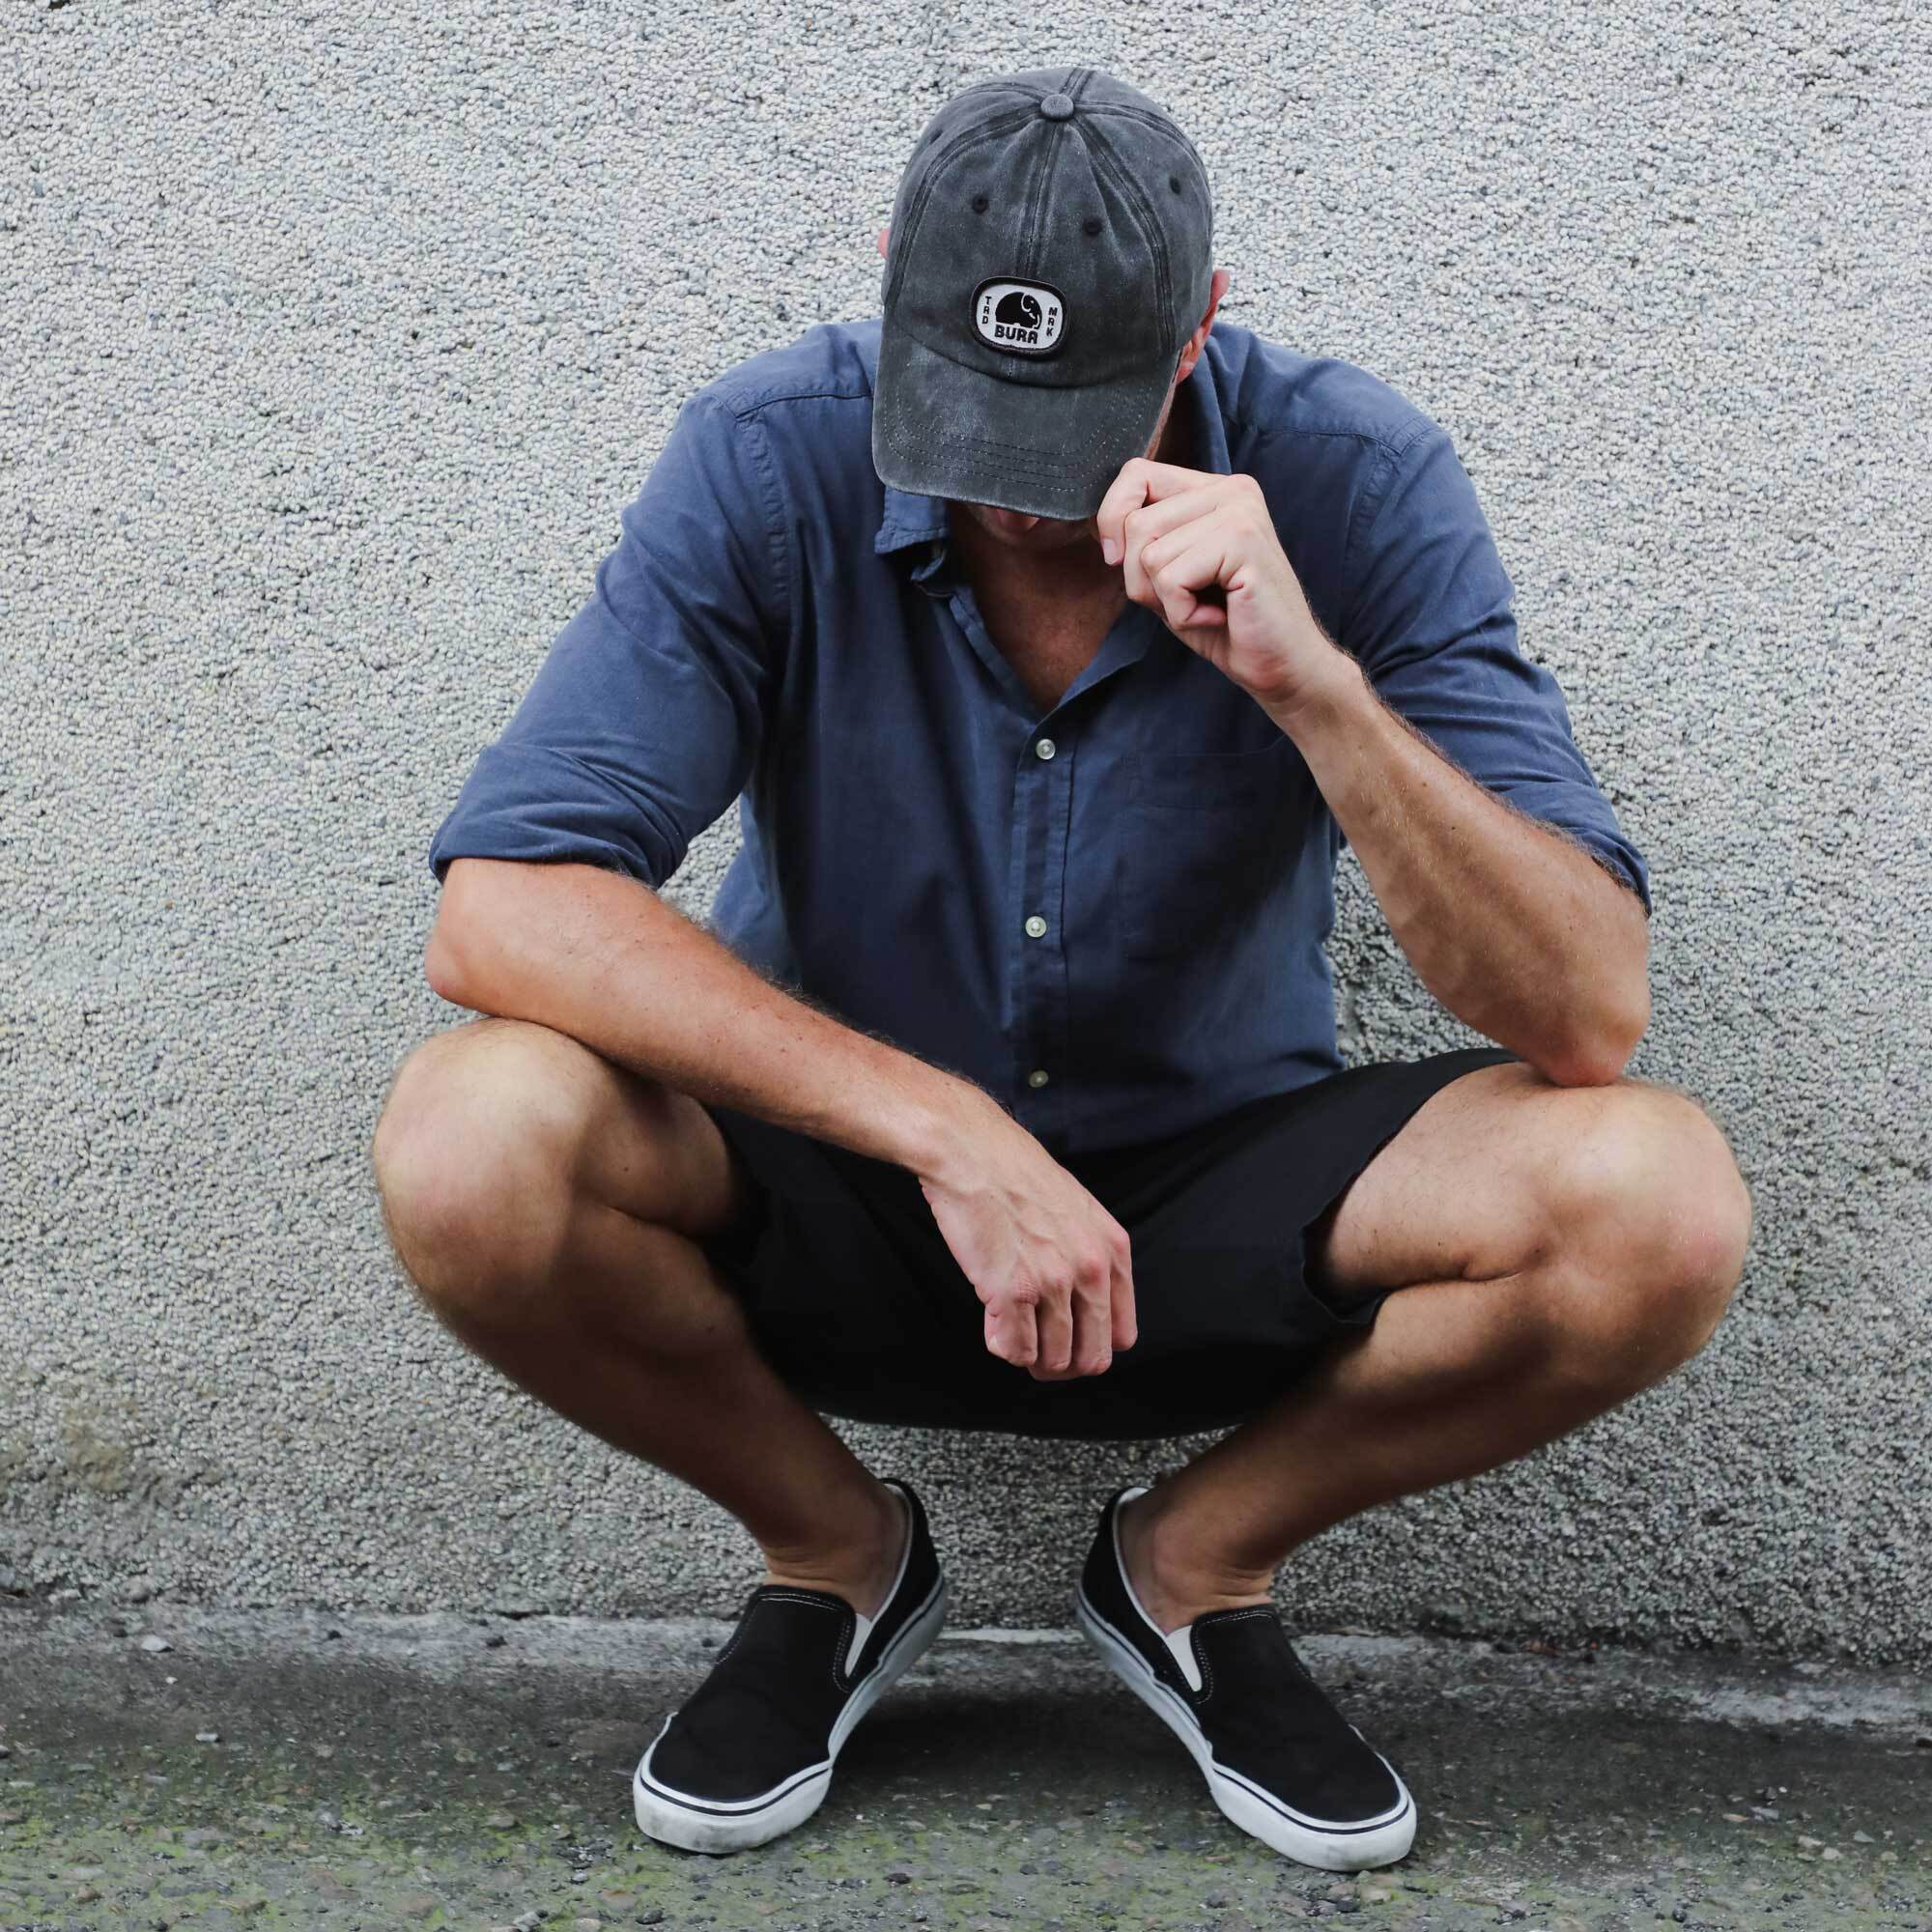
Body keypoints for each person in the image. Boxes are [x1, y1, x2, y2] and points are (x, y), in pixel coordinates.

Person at [370, 67, 1752, 1873]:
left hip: (1216, 1195)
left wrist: (1319, 693)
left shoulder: (1353, 475)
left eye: (1076, 427)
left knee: (1656, 1201)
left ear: (1201, 325)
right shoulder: (769, 450)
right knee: (468, 1136)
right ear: (892, 278)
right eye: (968, 418)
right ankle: (837, 1557)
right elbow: (503, 906)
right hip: (837, 1183)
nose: (1018, 502)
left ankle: (1191, 1567)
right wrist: (946, 1131)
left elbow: (1585, 1009)